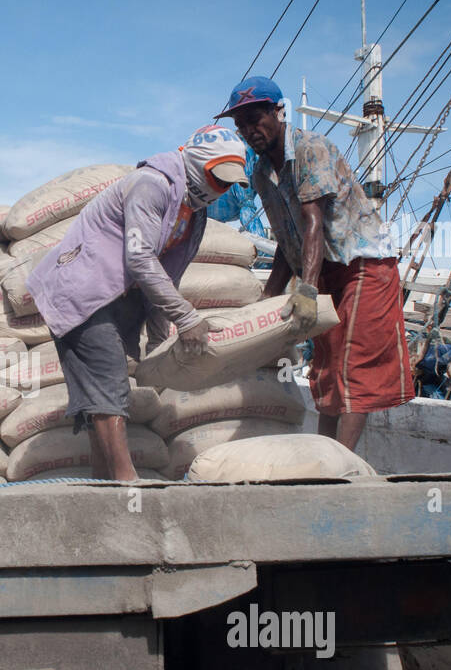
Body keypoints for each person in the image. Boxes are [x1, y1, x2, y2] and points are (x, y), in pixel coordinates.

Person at [26, 126, 249, 480]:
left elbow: (166, 277)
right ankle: (127, 481)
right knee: (110, 380)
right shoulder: (151, 185)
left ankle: (108, 481)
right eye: (217, 178)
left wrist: (161, 344)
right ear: (194, 163)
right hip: (82, 289)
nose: (220, 189)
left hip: (116, 298)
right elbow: (141, 258)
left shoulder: (194, 213)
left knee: (105, 390)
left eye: (228, 183)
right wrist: (188, 319)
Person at [217, 76, 413, 451]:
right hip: (319, 268)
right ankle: (323, 454)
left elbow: (312, 223)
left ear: (279, 112)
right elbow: (286, 240)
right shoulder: (260, 173)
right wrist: (269, 296)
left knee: (352, 364)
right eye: (240, 124)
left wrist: (306, 291)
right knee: (325, 365)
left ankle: (341, 461)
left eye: (256, 118)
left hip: (363, 265)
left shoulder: (311, 149)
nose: (248, 130)